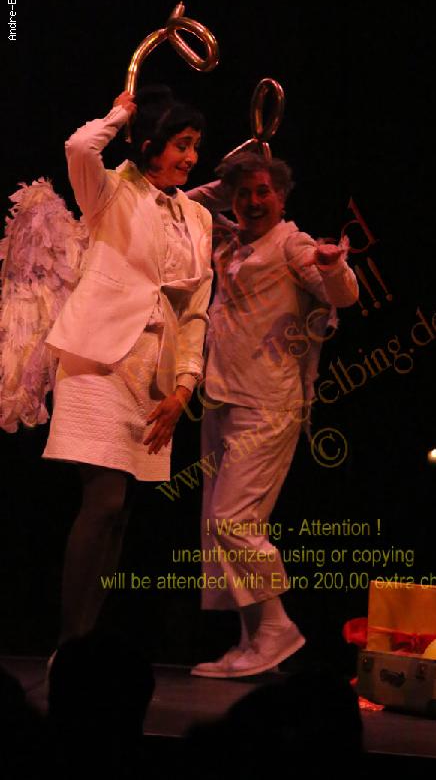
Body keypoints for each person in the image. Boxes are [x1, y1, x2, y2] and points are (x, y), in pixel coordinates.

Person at [42, 86, 213, 645]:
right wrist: (121, 113)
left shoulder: (197, 217)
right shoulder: (110, 191)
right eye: (181, 145)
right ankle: (69, 646)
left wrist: (184, 387)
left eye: (195, 146)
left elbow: (195, 310)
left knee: (120, 515)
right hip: (96, 361)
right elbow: (78, 147)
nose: (191, 157)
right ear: (150, 145)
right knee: (105, 500)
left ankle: (85, 645)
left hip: (152, 375)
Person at [187, 151, 358, 677]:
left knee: (233, 520)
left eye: (264, 191)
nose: (253, 201)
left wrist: (333, 266)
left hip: (268, 403)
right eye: (244, 193)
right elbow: (182, 205)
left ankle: (277, 628)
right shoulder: (229, 243)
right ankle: (254, 640)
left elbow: (343, 294)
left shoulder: (292, 244)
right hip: (222, 398)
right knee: (220, 527)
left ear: (282, 197)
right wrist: (229, 177)